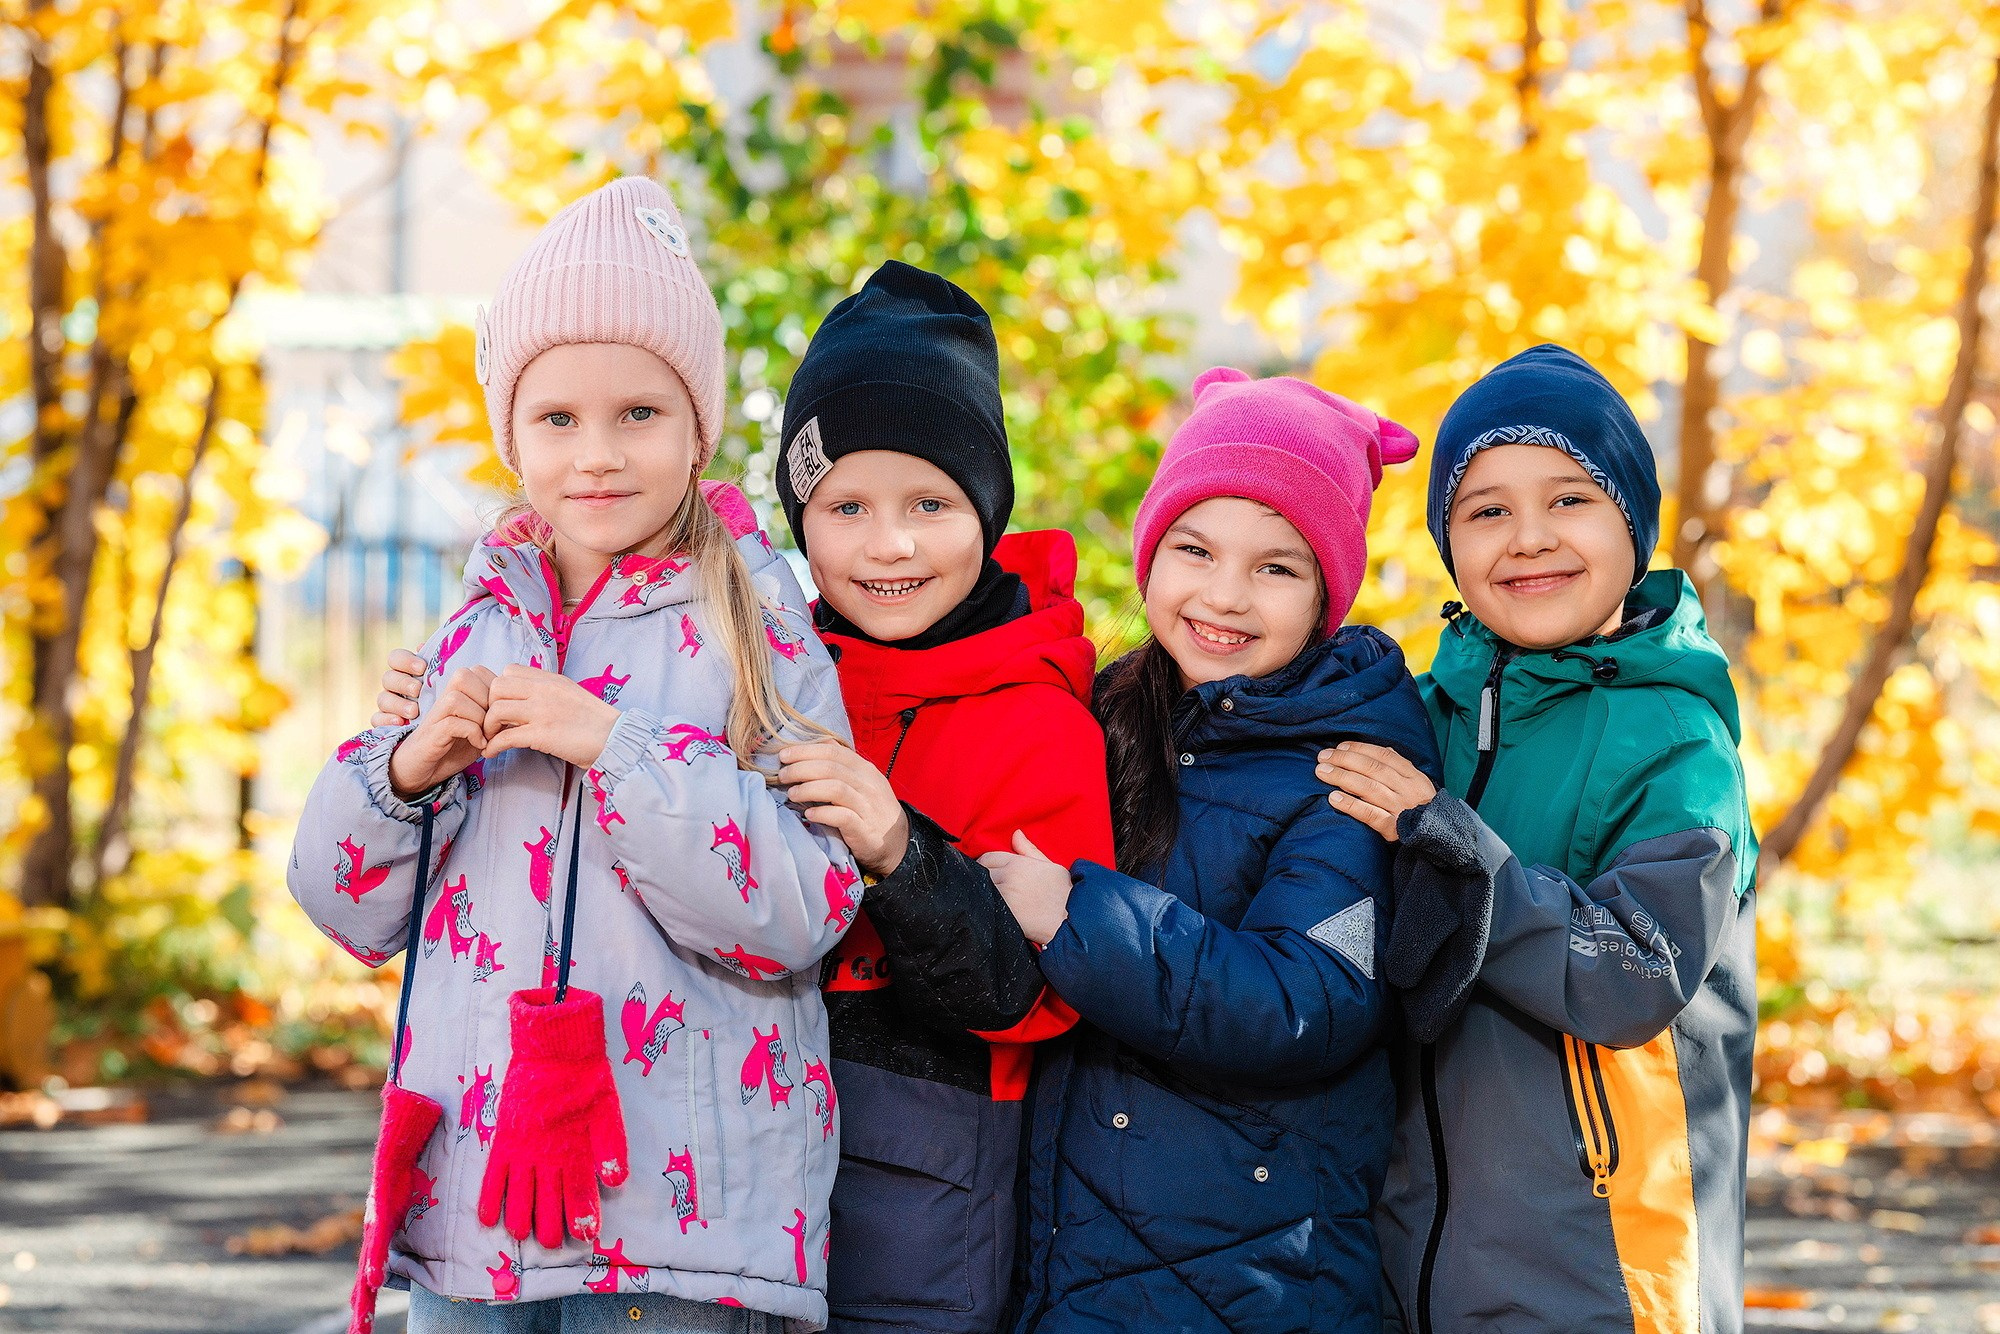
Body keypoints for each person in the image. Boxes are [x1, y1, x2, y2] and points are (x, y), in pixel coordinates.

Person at [371, 261, 1114, 1334]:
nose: (889, 541)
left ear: (986, 513)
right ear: (802, 519)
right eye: (846, 506)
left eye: (931, 504)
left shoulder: (1034, 716)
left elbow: (1030, 996)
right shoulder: (761, 656)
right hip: (728, 1169)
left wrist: (902, 852)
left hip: (920, 1200)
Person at [292, 176, 858, 1333]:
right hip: (476, 1203)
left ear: (696, 428)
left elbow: (802, 904)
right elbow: (343, 905)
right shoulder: (473, 626)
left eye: (637, 413)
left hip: (674, 1222)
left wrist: (614, 746)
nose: (596, 454)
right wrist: (400, 775)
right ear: (512, 434)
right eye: (556, 418)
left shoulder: (757, 626)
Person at [982, 368, 1438, 1333]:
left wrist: (1075, 916)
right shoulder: (1106, 717)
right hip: (1076, 1257)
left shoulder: (1349, 766)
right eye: (1195, 549)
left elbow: (1306, 999)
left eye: (1277, 568)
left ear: (1326, 594)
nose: (1225, 595)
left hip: (1252, 1276)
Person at [1318, 344, 1758, 1334]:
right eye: (1485, 510)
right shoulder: (1418, 718)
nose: (1528, 538)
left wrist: (1453, 850)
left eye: (1569, 499)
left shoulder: (1675, 742)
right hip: (1410, 1259)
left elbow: (1633, 974)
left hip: (1602, 1270)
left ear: (1630, 523)